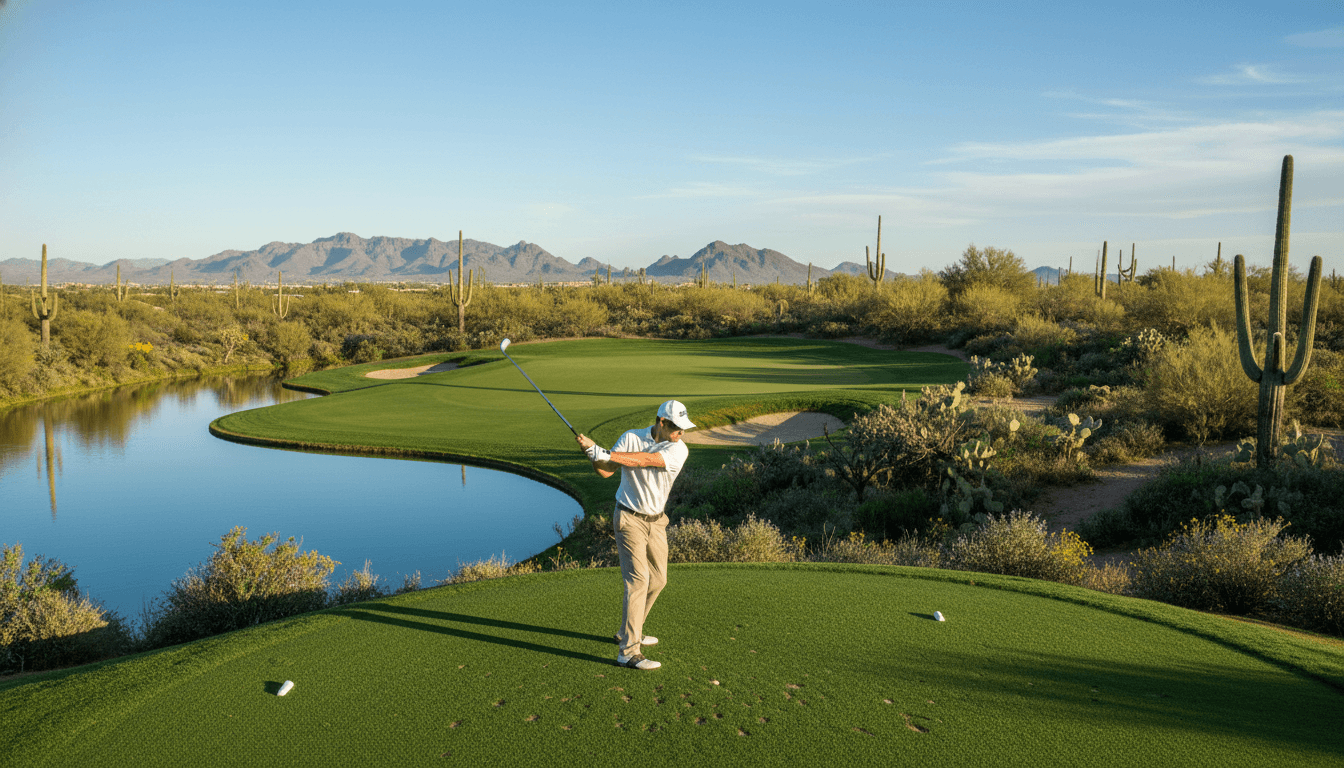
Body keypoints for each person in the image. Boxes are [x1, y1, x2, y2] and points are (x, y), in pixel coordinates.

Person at [576, 400, 695, 671]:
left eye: (684, 428)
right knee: (638, 581)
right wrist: (593, 454)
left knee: (659, 580)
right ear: (661, 422)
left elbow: (644, 460)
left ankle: (629, 630)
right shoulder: (631, 437)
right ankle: (628, 651)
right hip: (629, 518)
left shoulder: (678, 449)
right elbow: (606, 471)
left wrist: (603, 451)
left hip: (657, 521)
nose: (682, 433)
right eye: (677, 427)